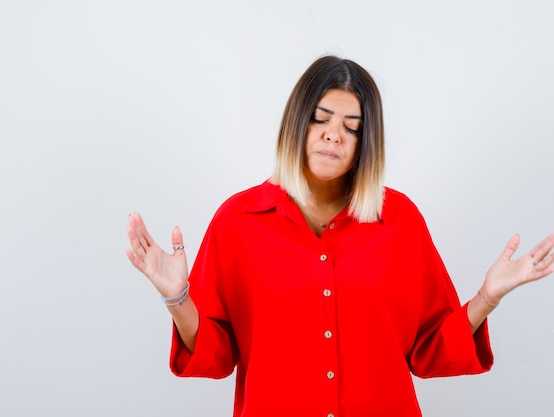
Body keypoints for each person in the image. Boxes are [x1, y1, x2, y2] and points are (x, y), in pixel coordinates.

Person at [125, 55, 554, 417]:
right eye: (321, 119)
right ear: (297, 123)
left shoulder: (399, 219)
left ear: (366, 142)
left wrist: (488, 296)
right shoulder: (237, 220)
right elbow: (217, 357)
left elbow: (430, 352)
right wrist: (177, 298)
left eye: (352, 126)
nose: (334, 134)